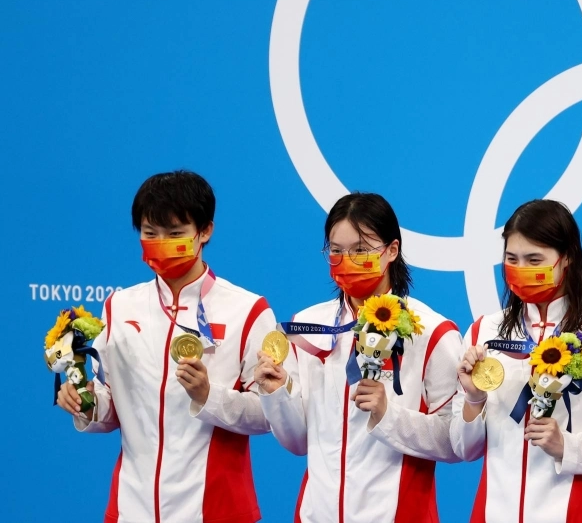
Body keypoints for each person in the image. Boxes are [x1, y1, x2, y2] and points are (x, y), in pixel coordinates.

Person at [55, 170, 275, 523]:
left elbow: (270, 415)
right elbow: (111, 407)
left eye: (175, 234)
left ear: (205, 232)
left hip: (215, 510)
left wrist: (208, 395)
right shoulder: (120, 306)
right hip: (131, 509)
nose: (160, 243)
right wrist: (86, 404)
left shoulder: (247, 310)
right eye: (149, 233)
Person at [254, 192, 463, 523]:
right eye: (336, 251)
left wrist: (387, 415)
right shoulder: (307, 329)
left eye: (361, 251)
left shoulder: (432, 333)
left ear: (392, 250)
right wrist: (277, 393)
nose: (346, 260)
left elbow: (457, 444)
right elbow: (297, 442)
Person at [452, 199, 582, 523]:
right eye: (512, 259)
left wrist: (568, 447)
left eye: (534, 259)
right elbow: (464, 449)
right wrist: (473, 397)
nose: (522, 269)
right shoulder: (483, 331)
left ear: (566, 259)